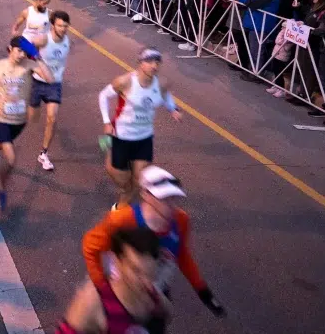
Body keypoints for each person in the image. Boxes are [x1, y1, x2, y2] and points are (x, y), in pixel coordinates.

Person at [81, 166, 226, 333]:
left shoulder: (181, 220)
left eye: (174, 197)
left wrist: (203, 291)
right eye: (164, 198)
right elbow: (90, 246)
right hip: (123, 291)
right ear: (146, 195)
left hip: (155, 291)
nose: (171, 204)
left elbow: (182, 255)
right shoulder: (122, 220)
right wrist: (103, 289)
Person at [97, 48, 182, 209]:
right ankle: (105, 146)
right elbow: (103, 96)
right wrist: (106, 122)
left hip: (144, 138)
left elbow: (165, 95)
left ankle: (120, 210)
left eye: (157, 62)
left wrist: (174, 109)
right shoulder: (125, 81)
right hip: (121, 135)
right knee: (118, 176)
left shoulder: (161, 83)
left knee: (139, 179)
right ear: (140, 63)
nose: (154, 66)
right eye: (149, 61)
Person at [0, 36, 53, 212]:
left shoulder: (29, 66)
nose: (21, 55)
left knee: (5, 145)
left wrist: (36, 56)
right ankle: (0, 186)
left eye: (24, 52)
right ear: (9, 48)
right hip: (1, 118)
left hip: (20, 120)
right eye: (19, 50)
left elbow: (49, 78)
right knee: (11, 159)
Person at [55, 227, 168, 334]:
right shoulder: (94, 302)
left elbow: (167, 313)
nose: (146, 282)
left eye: (150, 273)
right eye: (136, 271)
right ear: (118, 262)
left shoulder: (152, 294)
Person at [29, 10, 71, 171]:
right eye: (60, 25)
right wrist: (34, 61)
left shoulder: (67, 41)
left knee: (51, 117)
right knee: (32, 116)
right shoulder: (43, 39)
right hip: (37, 82)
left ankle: (44, 153)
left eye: (65, 26)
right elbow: (28, 47)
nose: (63, 29)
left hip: (54, 84)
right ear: (53, 25)